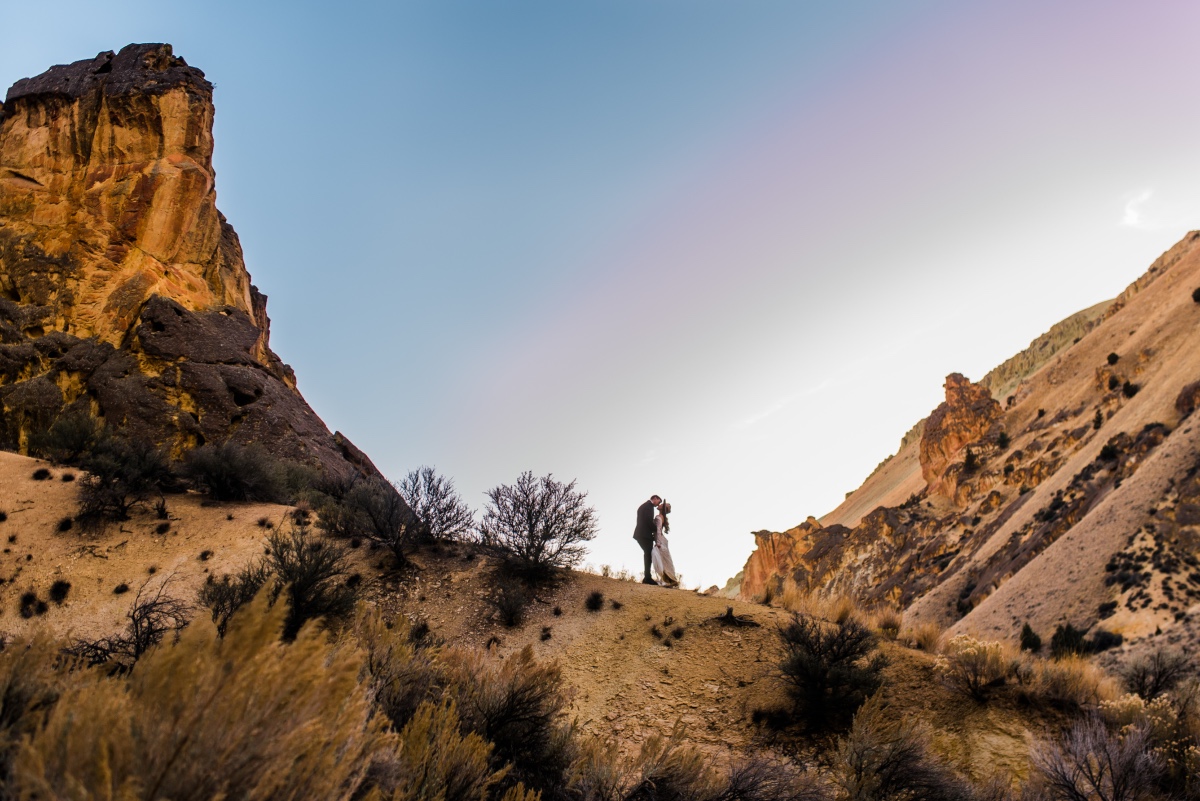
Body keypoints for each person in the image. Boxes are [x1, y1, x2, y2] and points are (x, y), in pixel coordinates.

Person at [633, 494, 661, 584]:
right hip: (644, 535)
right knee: (648, 554)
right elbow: (648, 520)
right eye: (658, 502)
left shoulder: (644, 506)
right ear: (655, 498)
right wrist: (656, 529)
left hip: (642, 534)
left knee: (648, 554)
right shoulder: (649, 506)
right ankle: (647, 578)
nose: (658, 505)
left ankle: (647, 577)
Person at [652, 500, 680, 587]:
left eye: (661, 504)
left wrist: (658, 543)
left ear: (663, 508)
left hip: (660, 541)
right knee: (664, 561)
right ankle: (668, 580)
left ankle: (667, 581)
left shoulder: (659, 516)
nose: (659, 504)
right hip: (661, 540)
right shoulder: (661, 516)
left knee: (662, 561)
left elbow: (659, 530)